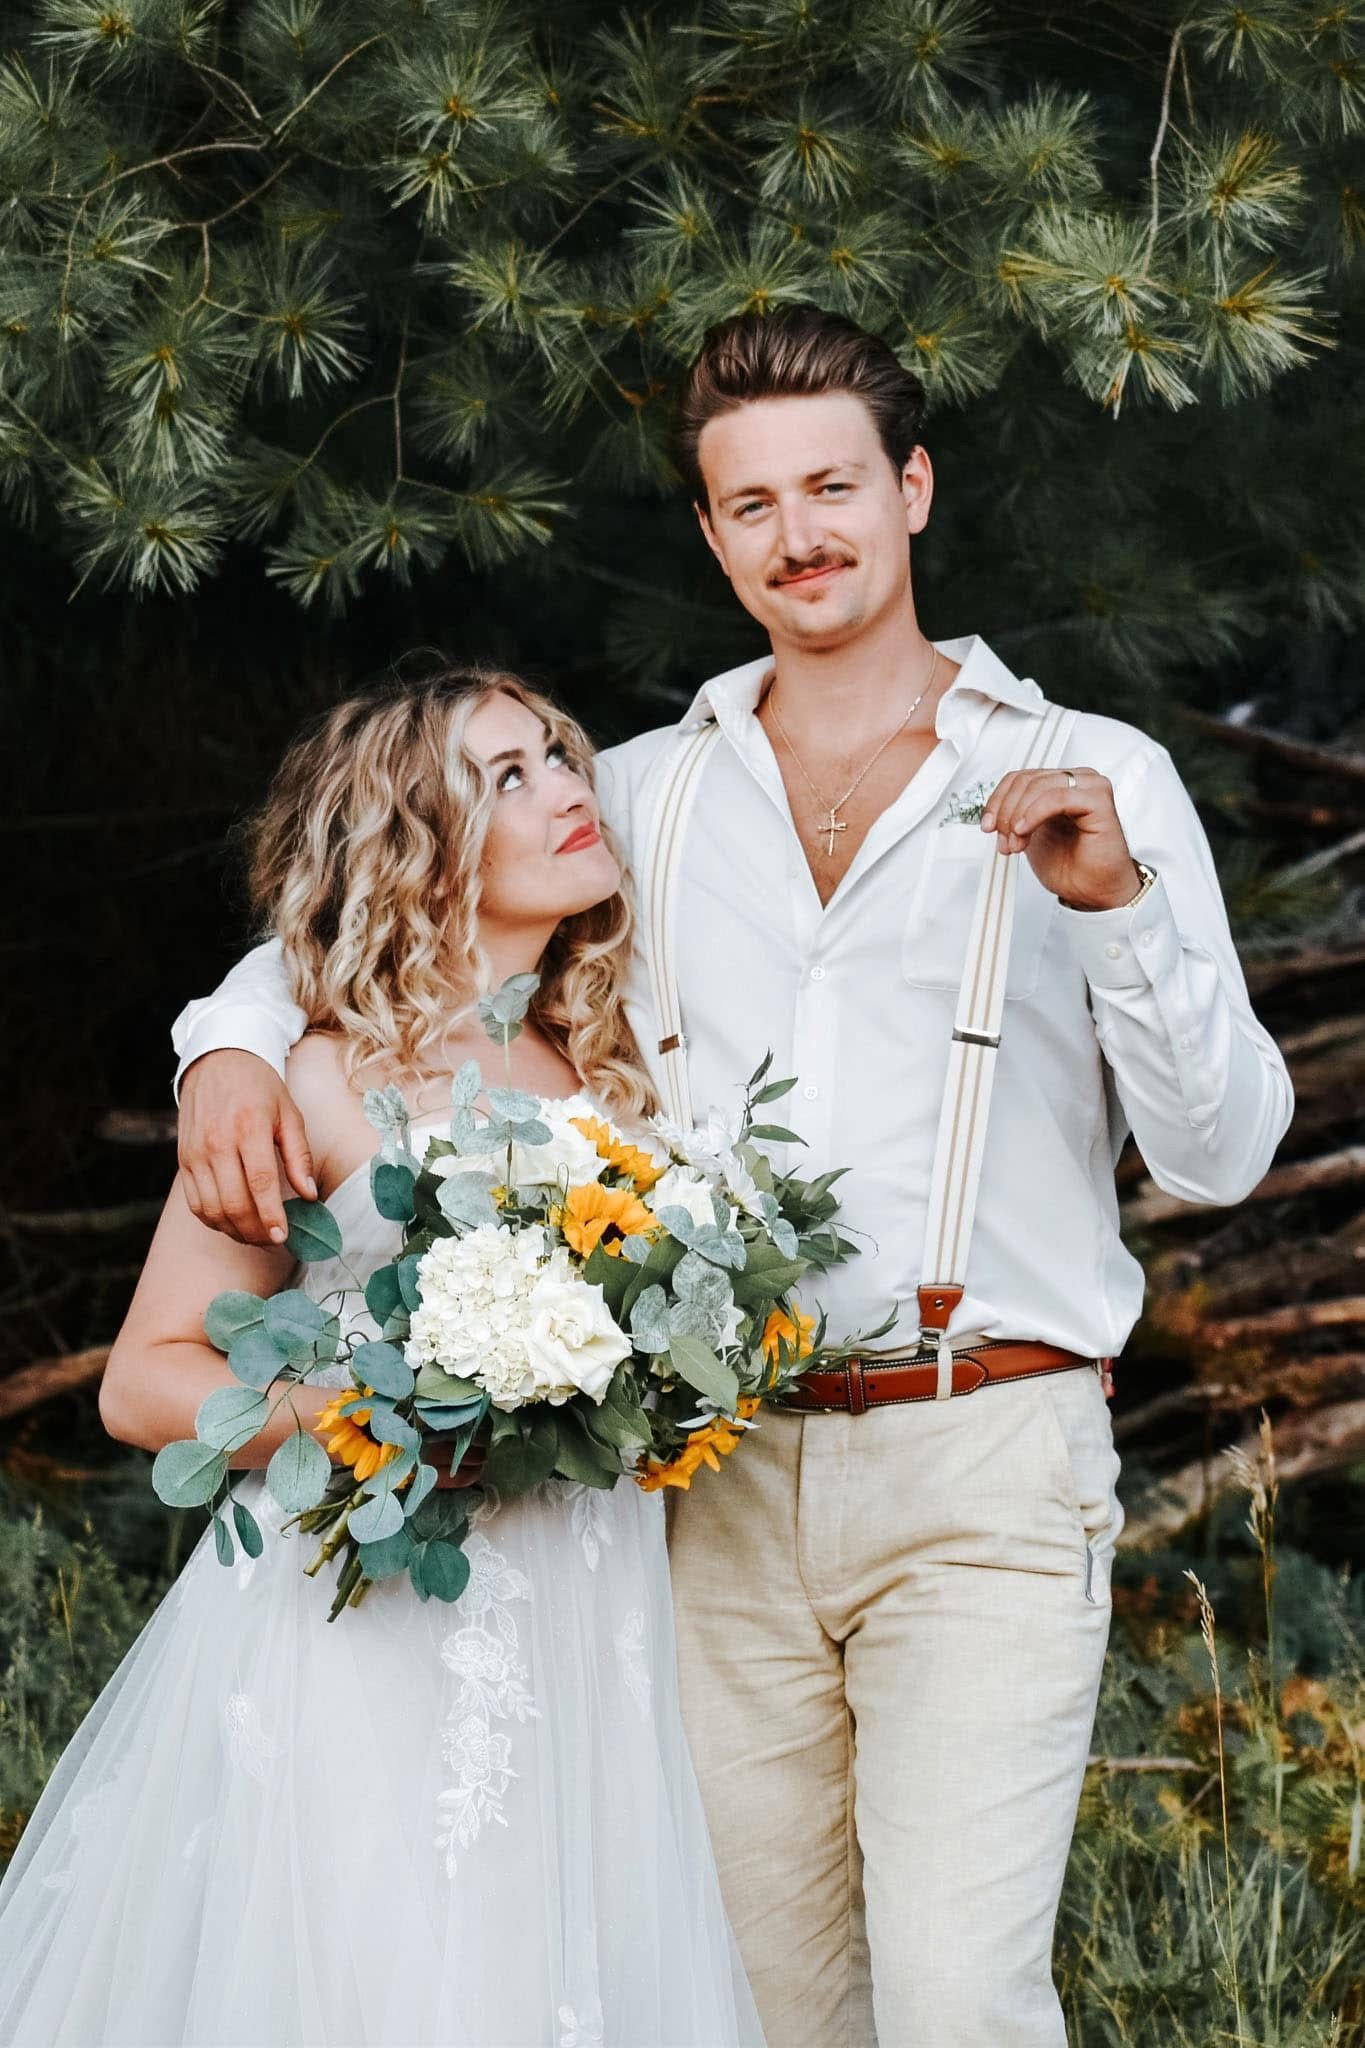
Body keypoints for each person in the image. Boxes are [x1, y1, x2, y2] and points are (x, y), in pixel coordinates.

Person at [167, 306, 1294, 2048]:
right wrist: (224, 1043)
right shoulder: (639, 796)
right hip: (705, 1490)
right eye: (752, 504)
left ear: (910, 490)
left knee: (954, 1999)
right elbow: (399, 917)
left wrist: (1118, 908)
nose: (801, 536)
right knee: (756, 2005)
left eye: (834, 485)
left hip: (981, 1454)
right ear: (711, 536)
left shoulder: (1096, 780)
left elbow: (1222, 1157)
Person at [0, 673, 765, 2048]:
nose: (568, 791)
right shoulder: (309, 1077)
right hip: (369, 1624)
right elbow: (145, 1379)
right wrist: (379, 1415)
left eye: (559, 757)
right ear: (415, 845)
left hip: (592, 1624)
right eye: (507, 780)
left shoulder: (613, 1069)